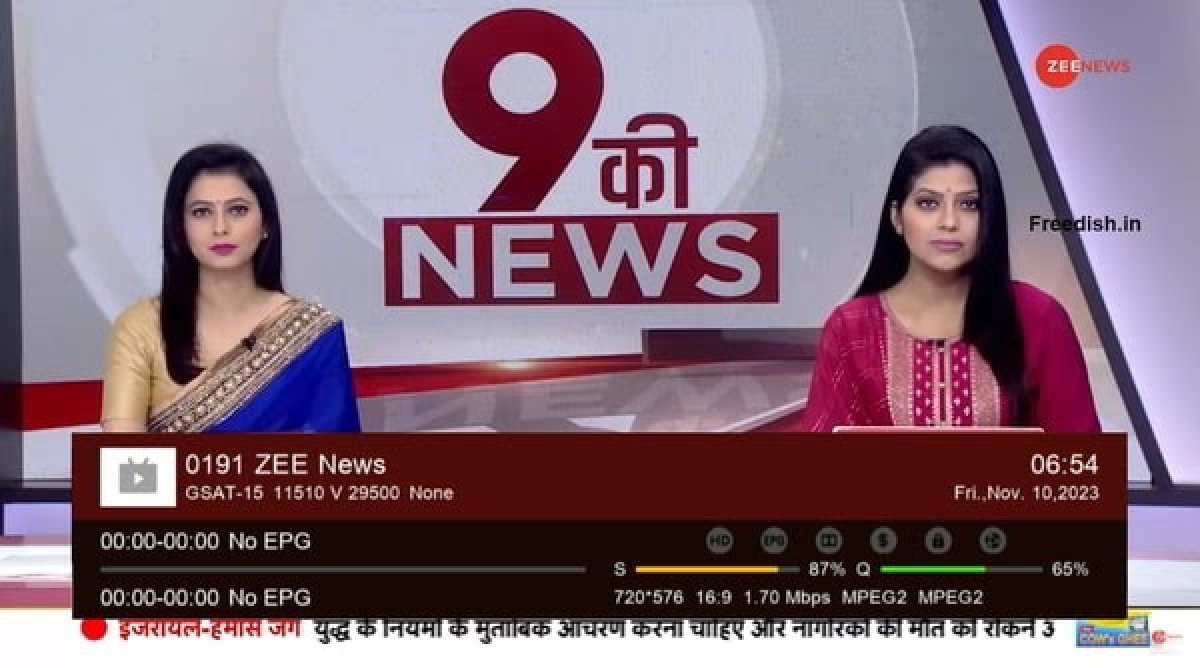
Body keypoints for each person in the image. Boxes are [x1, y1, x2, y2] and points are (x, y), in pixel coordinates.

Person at [792, 125, 1100, 432]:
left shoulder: (1038, 318)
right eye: (928, 203)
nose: (949, 222)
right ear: (897, 217)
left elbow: (1083, 457)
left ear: (989, 216)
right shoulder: (851, 329)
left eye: (969, 204)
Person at [101, 142, 361, 432]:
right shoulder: (140, 327)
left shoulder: (313, 333)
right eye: (202, 212)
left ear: (266, 224)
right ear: (180, 228)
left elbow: (338, 455)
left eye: (237, 210)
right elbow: (122, 456)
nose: (220, 228)